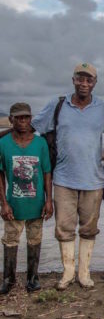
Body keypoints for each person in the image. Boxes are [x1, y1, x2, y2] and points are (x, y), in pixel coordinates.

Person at [31, 63, 104, 290]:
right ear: (73, 80)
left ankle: (84, 273)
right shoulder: (58, 105)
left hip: (94, 179)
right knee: (63, 227)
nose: (84, 84)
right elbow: (34, 130)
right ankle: (67, 273)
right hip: (63, 179)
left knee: (89, 228)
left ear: (95, 83)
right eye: (81, 79)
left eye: (89, 80)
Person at [0, 103, 53, 294]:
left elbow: (47, 172)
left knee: (35, 239)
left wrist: (49, 200)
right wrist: (3, 203)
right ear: (11, 120)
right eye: (18, 118)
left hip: (37, 204)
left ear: (31, 119)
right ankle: (8, 279)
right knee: (10, 239)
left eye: (26, 117)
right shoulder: (3, 144)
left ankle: (32, 278)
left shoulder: (40, 144)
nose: (23, 121)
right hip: (14, 204)